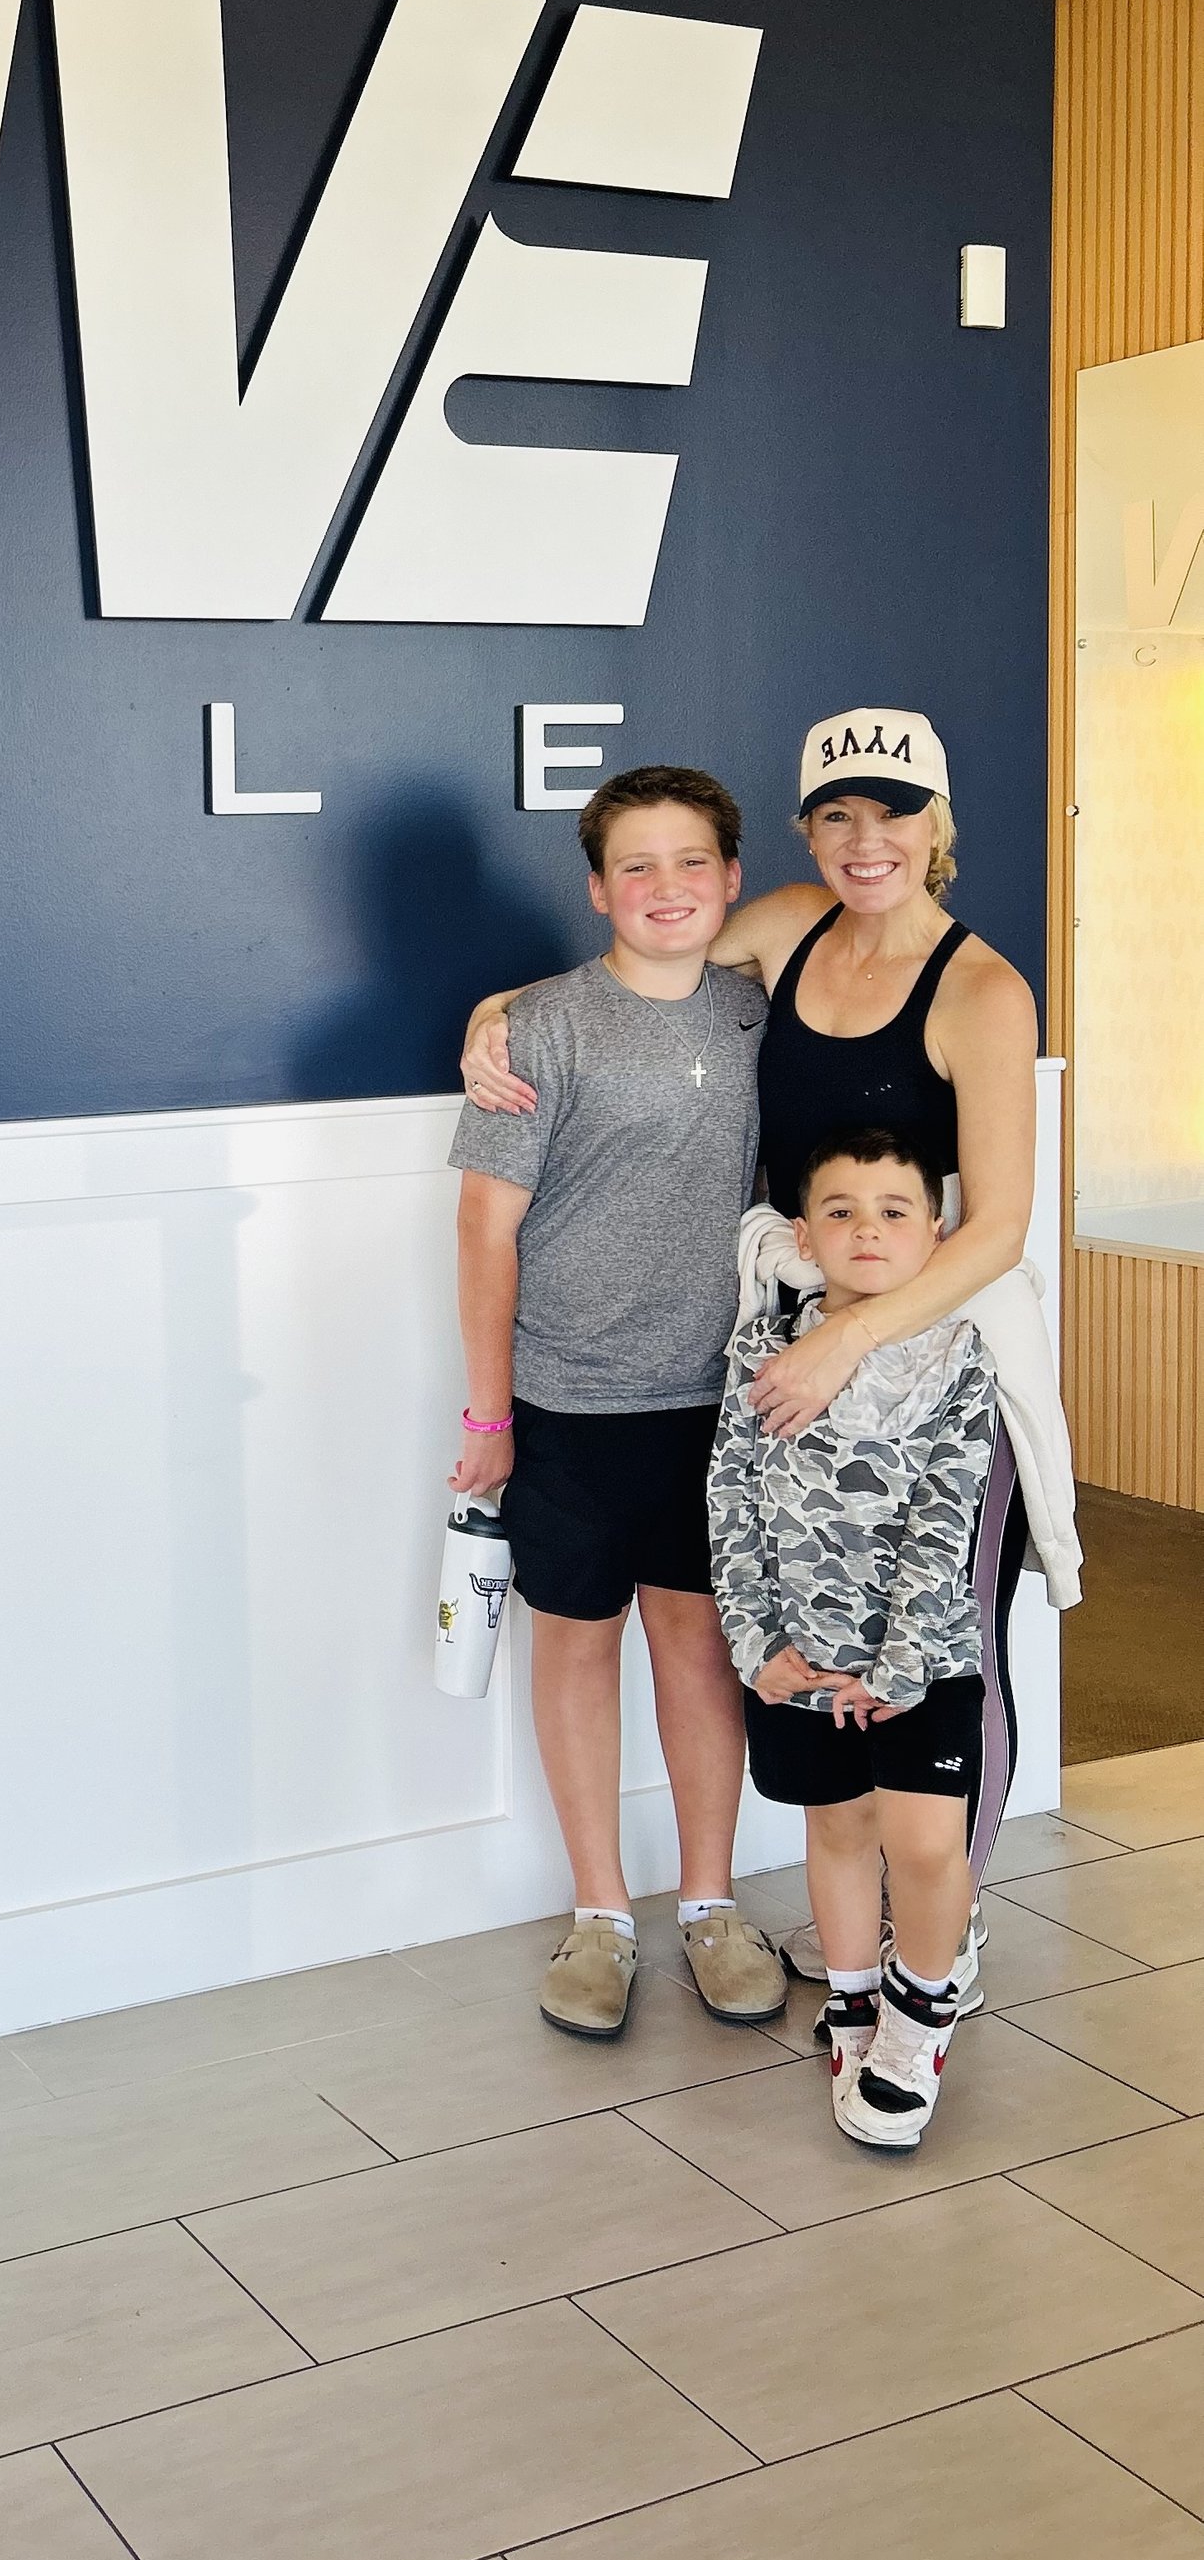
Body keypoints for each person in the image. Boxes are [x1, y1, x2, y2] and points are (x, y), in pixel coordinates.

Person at [463, 708, 1077, 1965]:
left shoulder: (981, 989)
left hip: (924, 1360)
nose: (867, 840)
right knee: (821, 1635)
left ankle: (937, 1945)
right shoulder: (789, 929)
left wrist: (846, 1347)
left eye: (895, 813)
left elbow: (1000, 1227)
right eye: (838, 815)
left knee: (947, 1646)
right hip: (779, 1359)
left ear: (936, 825)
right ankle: (853, 1936)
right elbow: (632, 959)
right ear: (805, 834)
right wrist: (496, 1009)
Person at [448, 764, 787, 2039]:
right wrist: (490, 1420)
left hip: (722, 1402)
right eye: (633, 866)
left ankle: (707, 1903)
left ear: (730, 880)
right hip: (570, 1401)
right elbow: (486, 1233)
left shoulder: (760, 1011)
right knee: (576, 1646)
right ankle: (600, 1913)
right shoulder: (538, 1028)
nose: (664, 887)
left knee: (697, 1651)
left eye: (690, 861)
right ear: (595, 888)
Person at [710, 1128, 996, 2146]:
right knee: (835, 1832)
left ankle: (918, 2025)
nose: (864, 1231)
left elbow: (944, 1519)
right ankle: (853, 2002)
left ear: (936, 1233)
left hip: (922, 1667)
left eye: (891, 1212)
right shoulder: (762, 1348)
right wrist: (757, 1647)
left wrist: (902, 1665)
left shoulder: (959, 1358)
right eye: (839, 1211)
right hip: (795, 1659)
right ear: (803, 1233)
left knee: (922, 1846)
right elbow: (731, 1499)